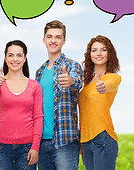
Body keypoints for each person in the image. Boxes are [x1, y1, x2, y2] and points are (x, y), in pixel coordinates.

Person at [35, 20, 83, 170]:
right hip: (42, 142)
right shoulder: (39, 71)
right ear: (44, 40)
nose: (53, 40)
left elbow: (77, 81)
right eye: (50, 37)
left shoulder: (71, 66)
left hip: (65, 140)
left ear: (64, 41)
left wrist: (70, 80)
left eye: (58, 37)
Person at [0, 40, 43, 170]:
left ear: (24, 58)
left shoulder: (34, 86)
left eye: (19, 55)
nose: (15, 59)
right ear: (6, 58)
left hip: (27, 147)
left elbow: (38, 117)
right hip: (0, 146)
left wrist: (35, 147)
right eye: (11, 55)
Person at [78, 35, 121, 170]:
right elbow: (84, 114)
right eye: (94, 50)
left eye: (103, 50)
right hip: (86, 141)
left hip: (103, 138)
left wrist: (104, 85)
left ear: (109, 53)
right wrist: (82, 145)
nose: (98, 53)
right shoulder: (86, 83)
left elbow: (110, 84)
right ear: (90, 54)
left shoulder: (113, 77)